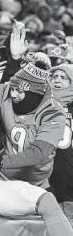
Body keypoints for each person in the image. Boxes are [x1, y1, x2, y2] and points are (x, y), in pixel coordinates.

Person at [0, 62, 73, 235]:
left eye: (19, 91)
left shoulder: (53, 112)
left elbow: (38, 153)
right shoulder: (8, 89)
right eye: (12, 89)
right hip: (3, 181)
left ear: (35, 94)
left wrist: (1, 161)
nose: (13, 94)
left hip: (36, 184)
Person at [49, 64, 73, 202]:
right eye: (54, 76)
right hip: (43, 174)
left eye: (63, 77)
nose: (57, 80)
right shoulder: (40, 103)